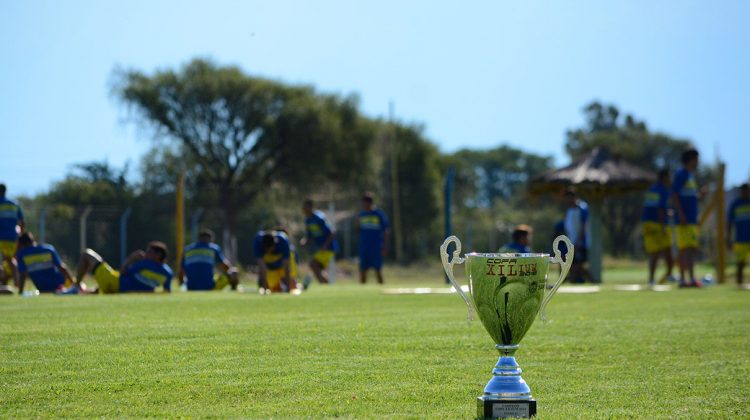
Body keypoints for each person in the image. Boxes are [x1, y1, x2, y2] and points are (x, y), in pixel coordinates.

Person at [75, 241, 173, 293]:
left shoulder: (145, 264)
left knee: (86, 254)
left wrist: (131, 258)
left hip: (114, 282)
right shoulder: (168, 273)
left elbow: (122, 273)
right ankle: (90, 290)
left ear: (158, 255)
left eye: (149, 252)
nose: (146, 254)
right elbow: (166, 291)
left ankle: (76, 286)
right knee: (97, 288)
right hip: (118, 289)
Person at [671, 148, 701, 288]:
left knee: (691, 249)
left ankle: (692, 279)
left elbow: (690, 197)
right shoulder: (681, 174)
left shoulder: (690, 176)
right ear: (690, 159)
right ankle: (683, 280)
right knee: (685, 249)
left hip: (692, 220)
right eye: (696, 158)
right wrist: (681, 214)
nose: (698, 162)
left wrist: (701, 195)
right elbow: (675, 195)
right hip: (684, 220)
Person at [641, 169, 675, 285]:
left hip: (647, 224)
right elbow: (660, 209)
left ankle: (652, 279)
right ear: (664, 178)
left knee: (654, 253)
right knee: (667, 252)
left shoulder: (651, 189)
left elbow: (649, 208)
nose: (671, 180)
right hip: (658, 224)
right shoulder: (663, 190)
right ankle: (667, 277)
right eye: (669, 177)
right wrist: (664, 226)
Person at [356, 193, 390, 284]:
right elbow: (358, 230)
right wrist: (357, 222)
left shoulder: (378, 214)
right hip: (364, 246)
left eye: (364, 203)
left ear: (370, 203)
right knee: (363, 269)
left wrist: (385, 246)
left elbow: (385, 231)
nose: (363, 205)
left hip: (376, 246)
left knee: (377, 269)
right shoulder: (361, 215)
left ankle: (381, 286)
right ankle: (362, 292)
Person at [301, 199, 337, 284]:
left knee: (313, 265)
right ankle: (326, 285)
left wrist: (325, 245)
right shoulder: (307, 220)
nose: (304, 210)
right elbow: (309, 236)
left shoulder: (319, 218)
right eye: (303, 208)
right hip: (320, 249)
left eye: (306, 208)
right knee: (316, 268)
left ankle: (326, 285)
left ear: (311, 207)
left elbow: (332, 233)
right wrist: (304, 241)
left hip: (328, 248)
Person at [253, 230, 298, 294]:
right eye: (266, 249)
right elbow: (262, 267)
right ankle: (279, 286)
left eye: (270, 248)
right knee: (273, 288)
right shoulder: (257, 242)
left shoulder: (283, 241)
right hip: (271, 265)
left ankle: (297, 286)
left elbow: (286, 267)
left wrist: (288, 287)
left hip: (282, 262)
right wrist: (265, 287)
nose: (269, 251)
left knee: (293, 285)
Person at [563, 189, 593, 283]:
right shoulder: (569, 210)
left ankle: (593, 281)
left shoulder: (582, 208)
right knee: (573, 264)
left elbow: (584, 226)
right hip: (571, 242)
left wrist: (579, 241)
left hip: (580, 243)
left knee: (577, 264)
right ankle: (574, 279)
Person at [0, 183, 24, 290]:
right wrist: (20, 234)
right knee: (9, 260)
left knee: (6, 260)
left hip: (1, 237)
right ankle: (14, 283)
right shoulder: (14, 204)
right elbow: (22, 222)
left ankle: (16, 283)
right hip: (12, 238)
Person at [728, 183, 750, 287]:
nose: (746, 192)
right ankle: (739, 284)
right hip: (740, 239)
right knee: (740, 263)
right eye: (744, 190)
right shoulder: (735, 204)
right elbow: (729, 223)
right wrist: (728, 238)